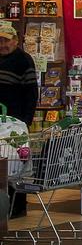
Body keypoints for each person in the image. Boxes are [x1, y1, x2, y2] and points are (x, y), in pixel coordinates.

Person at [0, 20, 38, 218]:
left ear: (15, 41)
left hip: (16, 121)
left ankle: (18, 205)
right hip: (0, 119)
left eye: (6, 40)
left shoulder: (24, 60)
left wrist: (26, 119)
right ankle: (4, 205)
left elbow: (31, 92)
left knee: (17, 163)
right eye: (0, 41)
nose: (3, 45)